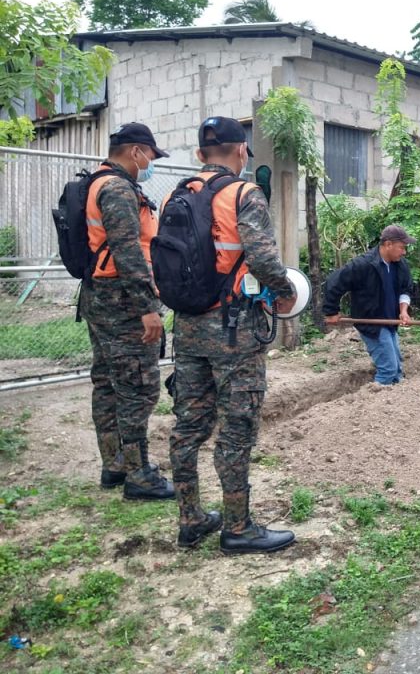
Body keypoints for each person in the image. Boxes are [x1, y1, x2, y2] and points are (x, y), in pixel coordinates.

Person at [167, 116, 297, 553]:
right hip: (234, 332)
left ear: (200, 154)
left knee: (188, 425)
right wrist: (285, 293)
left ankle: (190, 519)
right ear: (241, 151)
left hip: (187, 328)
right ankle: (238, 528)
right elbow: (262, 258)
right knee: (237, 428)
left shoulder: (177, 193)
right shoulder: (244, 193)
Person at [82, 122, 175, 500]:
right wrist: (147, 308)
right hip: (123, 303)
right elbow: (128, 252)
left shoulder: (96, 182)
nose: (151, 163)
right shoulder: (118, 189)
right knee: (138, 386)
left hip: (100, 297)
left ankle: (115, 464)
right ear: (136, 151)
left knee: (107, 382)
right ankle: (139, 475)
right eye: (150, 155)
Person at [322, 225, 415, 385]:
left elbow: (405, 289)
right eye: (402, 247)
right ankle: (376, 398)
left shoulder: (400, 265)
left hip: (391, 322)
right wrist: (331, 312)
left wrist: (403, 311)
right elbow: (333, 283)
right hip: (372, 323)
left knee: (397, 369)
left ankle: (397, 396)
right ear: (388, 244)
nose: (404, 252)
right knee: (388, 369)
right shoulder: (363, 265)